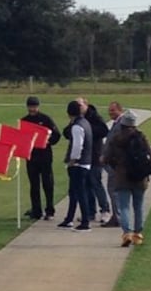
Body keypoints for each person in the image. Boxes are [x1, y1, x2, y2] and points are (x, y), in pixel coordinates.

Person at [103, 110, 151, 246]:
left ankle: (127, 233)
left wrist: (114, 166)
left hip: (122, 177)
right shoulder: (141, 137)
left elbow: (106, 158)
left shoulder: (116, 139)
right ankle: (138, 234)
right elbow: (150, 157)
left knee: (124, 206)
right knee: (138, 206)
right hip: (140, 178)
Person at [63, 97, 110, 224]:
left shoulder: (93, 117)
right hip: (85, 158)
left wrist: (86, 131)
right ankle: (90, 212)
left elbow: (104, 130)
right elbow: (66, 132)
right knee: (87, 185)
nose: (78, 107)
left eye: (80, 105)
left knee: (96, 182)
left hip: (94, 155)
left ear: (86, 105)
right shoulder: (76, 121)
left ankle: (105, 209)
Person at [22, 96, 61, 220]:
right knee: (34, 185)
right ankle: (36, 210)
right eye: (30, 106)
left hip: (45, 156)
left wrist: (48, 141)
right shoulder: (25, 121)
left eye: (34, 106)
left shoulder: (45, 119)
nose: (32, 109)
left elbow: (56, 135)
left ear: (38, 106)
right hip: (31, 156)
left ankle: (50, 210)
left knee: (47, 183)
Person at [57, 100, 93, 232]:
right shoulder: (85, 122)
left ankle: (85, 221)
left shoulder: (77, 126)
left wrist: (73, 160)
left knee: (80, 192)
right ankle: (69, 218)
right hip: (85, 162)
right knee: (73, 192)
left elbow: (78, 145)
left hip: (79, 164)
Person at [100, 101, 124, 228]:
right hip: (112, 163)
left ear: (120, 110)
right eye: (109, 110)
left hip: (115, 164)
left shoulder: (120, 125)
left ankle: (118, 217)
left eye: (113, 110)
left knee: (114, 190)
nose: (110, 113)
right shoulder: (116, 123)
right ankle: (116, 216)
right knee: (113, 190)